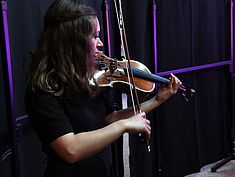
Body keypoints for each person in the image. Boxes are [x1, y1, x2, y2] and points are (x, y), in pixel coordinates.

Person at [24, 0, 182, 177]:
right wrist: (125, 125)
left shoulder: (85, 80)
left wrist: (158, 99)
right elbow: (70, 149)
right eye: (94, 36)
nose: (100, 44)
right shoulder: (42, 89)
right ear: (72, 41)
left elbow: (110, 119)